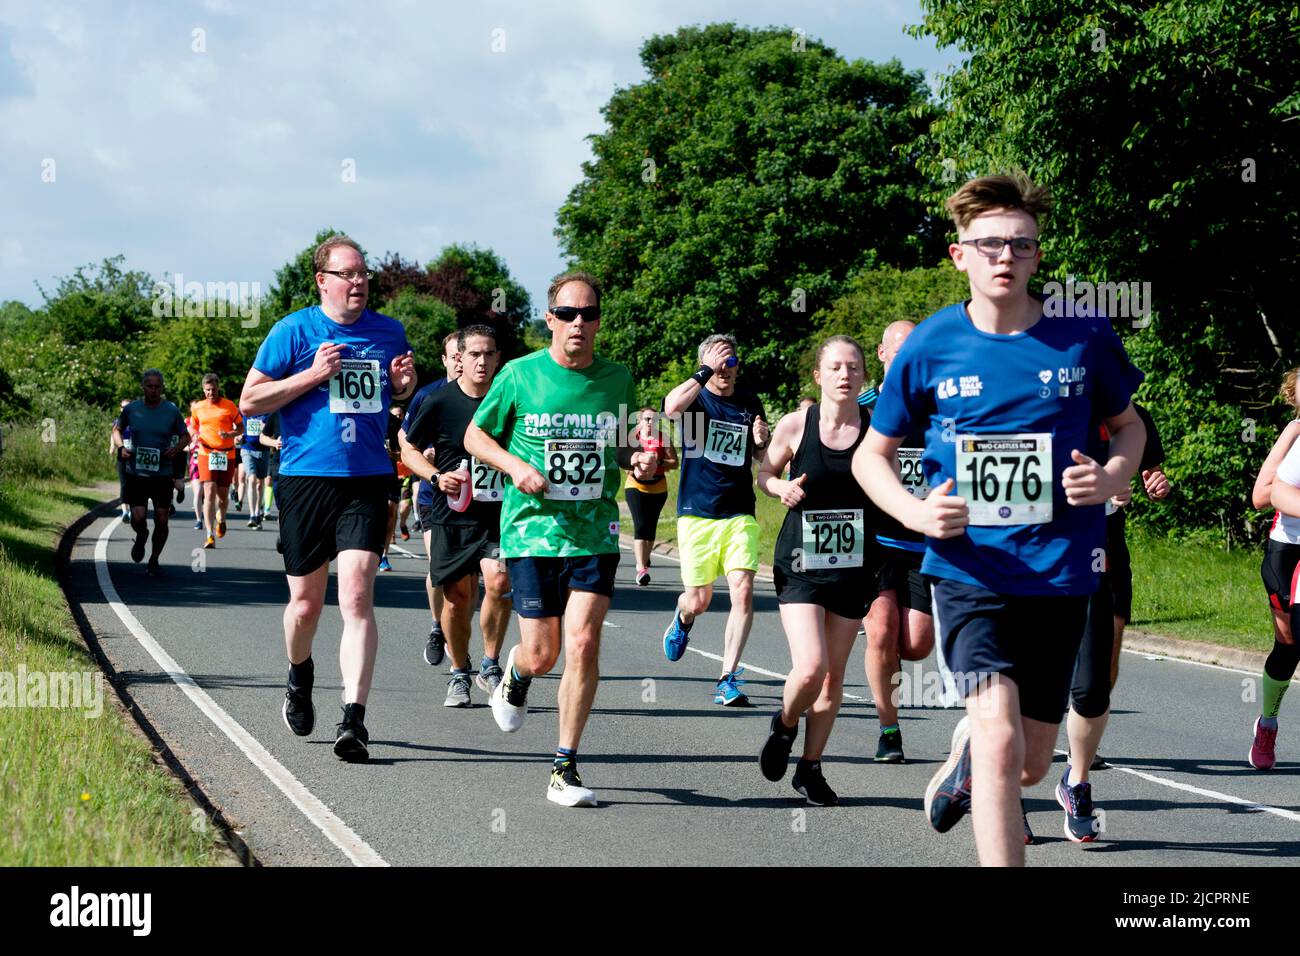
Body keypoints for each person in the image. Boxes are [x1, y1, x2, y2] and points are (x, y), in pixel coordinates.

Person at [852, 173, 1145, 866]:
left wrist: (1110, 476)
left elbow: (1126, 428)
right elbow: (873, 456)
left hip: (1061, 573)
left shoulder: (1083, 335)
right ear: (960, 256)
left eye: (1020, 244)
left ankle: (967, 763)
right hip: (968, 571)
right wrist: (919, 512)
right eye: (988, 244)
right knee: (1001, 735)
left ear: (1038, 256)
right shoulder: (929, 345)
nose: (1004, 256)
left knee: (1031, 765)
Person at [464, 271, 654, 807]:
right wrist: (514, 465)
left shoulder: (617, 379)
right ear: (549, 319)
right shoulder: (520, 375)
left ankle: (564, 767)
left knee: (585, 644)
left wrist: (634, 457)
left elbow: (619, 447)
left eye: (588, 314)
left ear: (597, 321)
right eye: (568, 314)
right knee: (543, 652)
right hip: (531, 532)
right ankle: (516, 675)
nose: (578, 323)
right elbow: (475, 435)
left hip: (594, 531)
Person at [239, 234, 416, 762]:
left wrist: (402, 386)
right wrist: (312, 375)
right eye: (348, 274)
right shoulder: (292, 330)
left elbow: (395, 393)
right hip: (304, 478)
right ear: (323, 281)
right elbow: (250, 401)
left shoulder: (388, 332)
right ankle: (299, 674)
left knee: (358, 595)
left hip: (366, 476)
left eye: (364, 273)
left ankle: (354, 720)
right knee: (305, 605)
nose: (359, 282)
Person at [1039, 401, 1170, 844]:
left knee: (1093, 685)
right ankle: (1006, 794)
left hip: (1098, 548)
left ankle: (1075, 782)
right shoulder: (1028, 397)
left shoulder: (1125, 412)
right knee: (1031, 677)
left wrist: (1131, 483)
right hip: (1032, 547)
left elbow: (1142, 465)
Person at [757, 336, 875, 805]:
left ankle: (811, 767)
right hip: (802, 563)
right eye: (836, 367)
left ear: (865, 376)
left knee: (834, 678)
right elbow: (764, 475)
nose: (845, 374)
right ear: (819, 376)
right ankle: (784, 724)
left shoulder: (878, 429)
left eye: (854, 367)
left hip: (855, 566)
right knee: (810, 667)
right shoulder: (795, 425)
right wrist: (779, 490)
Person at [403, 325, 513, 706]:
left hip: (500, 512)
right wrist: (435, 475)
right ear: (459, 359)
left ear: (498, 358)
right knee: (456, 598)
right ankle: (458, 671)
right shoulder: (439, 400)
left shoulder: (511, 398)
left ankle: (491, 662)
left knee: (499, 583)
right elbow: (408, 450)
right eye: (474, 355)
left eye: (489, 354)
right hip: (453, 513)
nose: (482, 362)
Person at [661, 333, 770, 705]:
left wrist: (761, 441)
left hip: (740, 511)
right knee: (699, 600)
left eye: (730, 360)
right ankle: (683, 617)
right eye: (717, 361)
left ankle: (728, 677)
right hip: (697, 513)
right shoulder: (696, 400)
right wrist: (704, 371)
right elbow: (670, 408)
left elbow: (761, 459)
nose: (725, 368)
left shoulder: (748, 401)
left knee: (742, 591)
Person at [858, 321, 934, 765]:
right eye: (898, 349)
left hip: (923, 545)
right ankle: (889, 729)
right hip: (875, 541)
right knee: (883, 633)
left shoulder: (941, 409)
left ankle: (886, 657)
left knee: (917, 645)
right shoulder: (865, 409)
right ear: (883, 354)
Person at [399, 331, 462, 665]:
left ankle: (460, 640)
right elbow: (406, 442)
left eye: (463, 355)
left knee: (472, 575)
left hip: (476, 494)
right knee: (441, 565)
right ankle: (438, 627)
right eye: (453, 356)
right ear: (445, 360)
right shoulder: (427, 396)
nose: (460, 362)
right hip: (432, 491)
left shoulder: (487, 395)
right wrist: (428, 456)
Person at [1249, 370, 1300, 770]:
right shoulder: (1295, 433)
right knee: (1288, 645)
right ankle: (1267, 722)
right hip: (1287, 550)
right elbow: (1261, 497)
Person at [114, 370, 190, 576]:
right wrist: (121, 447)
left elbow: (186, 436)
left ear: (162, 387)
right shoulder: (131, 409)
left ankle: (154, 558)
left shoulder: (171, 411)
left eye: (157, 386)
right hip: (137, 473)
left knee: (162, 518)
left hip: (162, 473)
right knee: (137, 518)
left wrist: (175, 449)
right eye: (150, 386)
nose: (153, 390)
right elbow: (116, 430)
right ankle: (141, 535)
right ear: (143, 387)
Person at [188, 373, 244, 549]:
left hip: (227, 454)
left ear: (218, 388)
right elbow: (192, 425)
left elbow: (241, 427)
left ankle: (222, 517)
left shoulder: (229, 406)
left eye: (213, 390)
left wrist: (230, 434)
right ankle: (209, 535)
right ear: (203, 390)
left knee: (222, 496)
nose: (210, 393)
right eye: (207, 390)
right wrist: (194, 435)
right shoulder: (198, 407)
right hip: (206, 453)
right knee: (209, 491)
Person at [624, 406, 678, 586]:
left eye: (654, 420)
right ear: (639, 421)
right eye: (647, 419)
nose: (650, 423)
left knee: (650, 527)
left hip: (658, 487)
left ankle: (645, 558)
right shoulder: (633, 439)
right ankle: (641, 568)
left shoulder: (664, 438)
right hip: (635, 485)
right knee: (640, 525)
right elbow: (622, 460)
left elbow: (674, 462)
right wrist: (635, 465)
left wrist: (658, 461)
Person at [241, 413, 271, 529]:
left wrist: (266, 429)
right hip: (247, 449)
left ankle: (258, 512)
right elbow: (236, 426)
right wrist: (237, 436)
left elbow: (273, 429)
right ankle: (252, 515)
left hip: (263, 451)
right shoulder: (245, 412)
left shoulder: (268, 413)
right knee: (252, 479)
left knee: (260, 483)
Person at [111, 398, 131, 518]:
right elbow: (114, 433)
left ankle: (134, 508)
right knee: (124, 483)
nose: (125, 409)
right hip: (122, 455)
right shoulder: (118, 421)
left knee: (133, 484)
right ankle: (125, 511)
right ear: (120, 408)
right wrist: (112, 446)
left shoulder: (138, 421)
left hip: (134, 456)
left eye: (127, 407)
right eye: (123, 407)